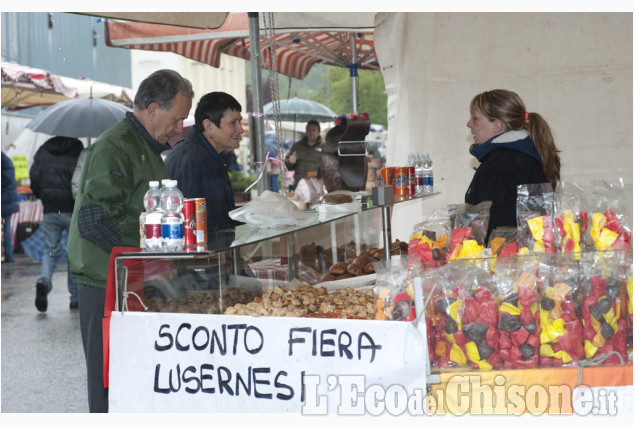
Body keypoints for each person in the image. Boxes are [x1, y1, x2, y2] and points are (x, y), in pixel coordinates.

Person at [66, 69, 193, 412]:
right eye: (177, 118)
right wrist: (157, 243)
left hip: (132, 276)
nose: (180, 127)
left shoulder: (149, 149)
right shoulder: (115, 145)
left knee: (133, 376)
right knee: (108, 379)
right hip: (102, 278)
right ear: (153, 108)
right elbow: (95, 220)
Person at [464, 89, 561, 242]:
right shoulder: (519, 156)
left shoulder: (501, 163)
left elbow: (498, 229)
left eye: (475, 119)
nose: (469, 124)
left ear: (496, 125)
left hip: (504, 261)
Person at [165, 91, 243, 234]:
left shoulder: (208, 154)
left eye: (240, 121)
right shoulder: (191, 158)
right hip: (198, 253)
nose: (240, 129)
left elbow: (222, 213)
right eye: (233, 123)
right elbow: (192, 222)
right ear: (208, 126)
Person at [29, 136, 84, 311]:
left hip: (51, 209)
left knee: (50, 250)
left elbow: (34, 176)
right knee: (73, 253)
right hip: (71, 209)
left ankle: (44, 280)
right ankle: (75, 297)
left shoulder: (44, 148)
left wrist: (43, 196)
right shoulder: (78, 149)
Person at [284, 120, 323, 190]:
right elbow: (286, 166)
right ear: (306, 132)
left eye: (314, 130)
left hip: (316, 186)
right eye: (309, 130)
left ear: (318, 133)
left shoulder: (324, 148)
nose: (311, 132)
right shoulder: (297, 146)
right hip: (298, 186)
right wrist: (290, 162)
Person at [2, 152, 20, 263]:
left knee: (5, 228)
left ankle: (8, 255)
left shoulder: (4, 161)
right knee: (5, 228)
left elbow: (6, 178)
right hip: (5, 201)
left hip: (5, 202)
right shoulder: (5, 160)